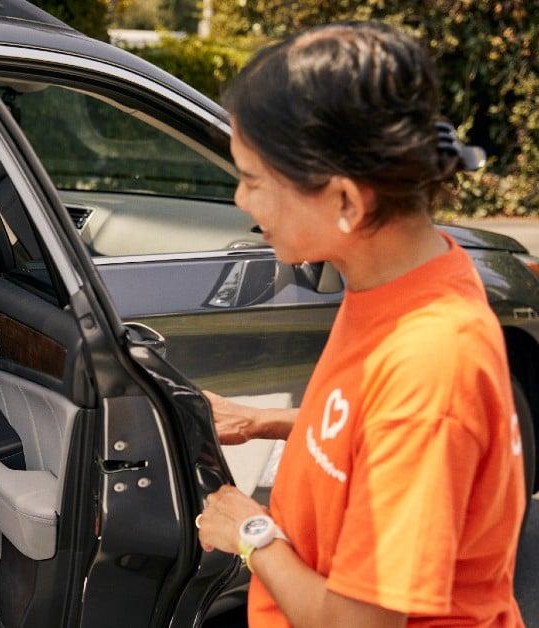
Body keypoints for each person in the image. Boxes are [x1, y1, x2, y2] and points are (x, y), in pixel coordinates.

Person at [195, 21, 527, 627]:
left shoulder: (430, 365)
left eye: (252, 180)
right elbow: (379, 433)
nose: (241, 201)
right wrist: (268, 420)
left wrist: (249, 531)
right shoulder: (405, 278)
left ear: (346, 202)